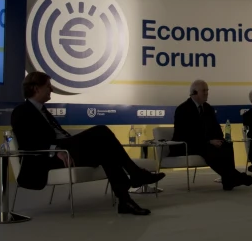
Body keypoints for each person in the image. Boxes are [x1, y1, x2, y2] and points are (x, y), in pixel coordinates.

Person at [11, 71, 164, 215]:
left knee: (106, 151)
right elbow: (27, 144)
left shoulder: (43, 111)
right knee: (101, 131)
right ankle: (136, 175)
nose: (51, 89)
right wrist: (55, 150)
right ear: (36, 88)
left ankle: (125, 201)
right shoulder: (21, 111)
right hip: (47, 160)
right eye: (48, 86)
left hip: (64, 151)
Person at [170, 80, 252, 191]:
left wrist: (220, 140)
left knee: (226, 145)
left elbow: (216, 128)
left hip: (201, 143)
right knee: (208, 148)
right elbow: (186, 134)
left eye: (207, 90)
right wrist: (209, 141)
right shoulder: (183, 109)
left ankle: (228, 182)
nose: (207, 93)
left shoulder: (208, 108)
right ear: (194, 93)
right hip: (185, 144)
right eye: (204, 91)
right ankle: (237, 177)